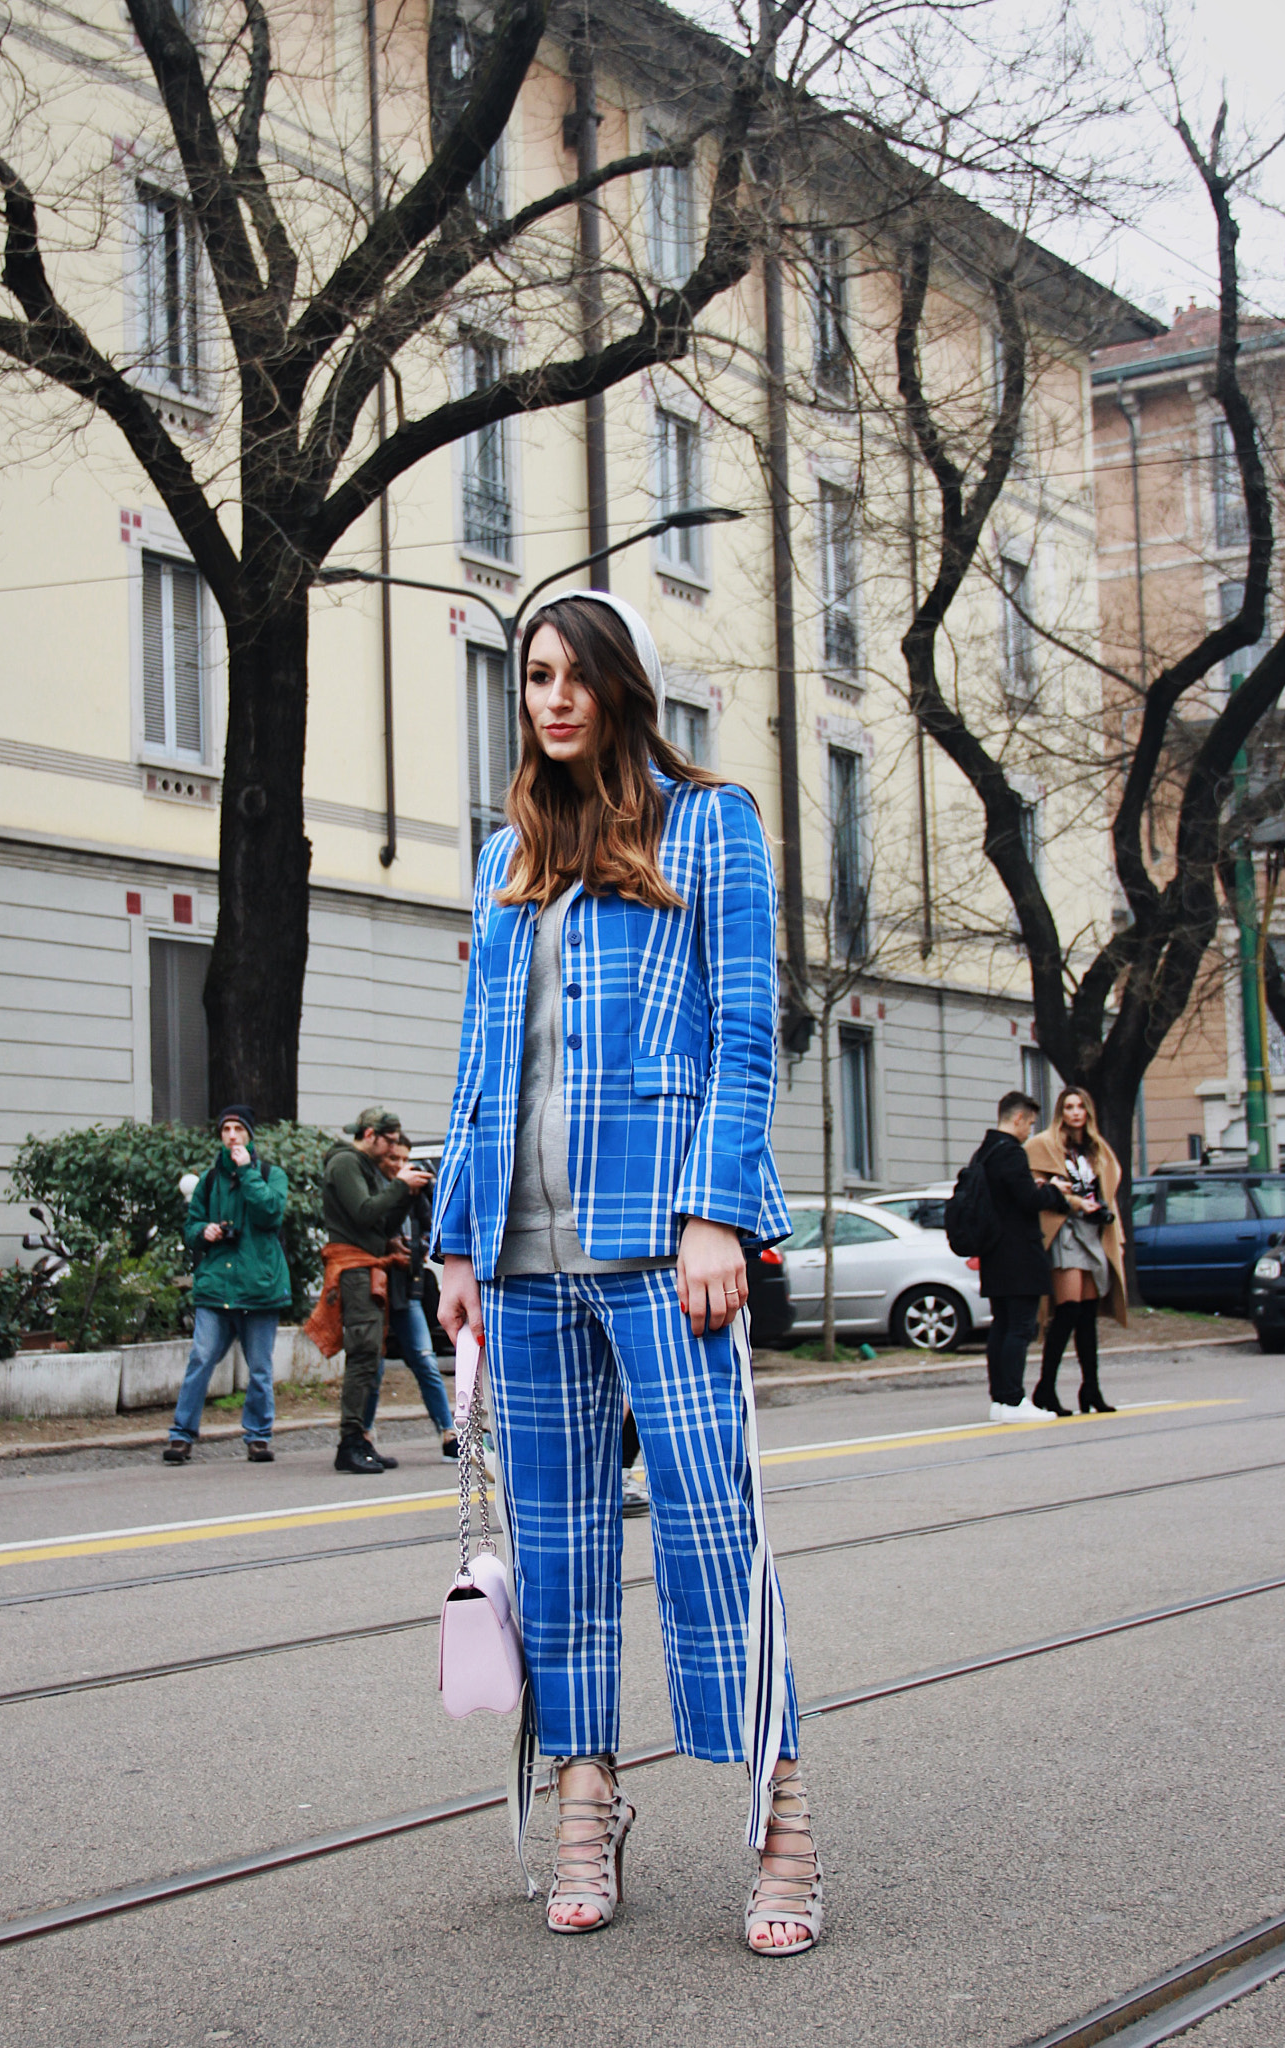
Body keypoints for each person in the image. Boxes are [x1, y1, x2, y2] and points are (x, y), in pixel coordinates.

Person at [434, 591, 819, 1955]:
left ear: (621, 686)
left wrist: (718, 1211)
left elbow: (744, 1030)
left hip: (666, 1243)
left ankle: (780, 1816)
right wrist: (457, 1243)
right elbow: (483, 1065)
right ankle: (583, 1791)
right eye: (532, 675)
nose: (550, 697)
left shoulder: (709, 824)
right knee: (562, 1544)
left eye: (574, 674)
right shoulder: (502, 860)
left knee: (715, 1525)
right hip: (527, 1260)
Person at [163, 1106, 290, 1465]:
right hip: (216, 1286)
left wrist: (248, 1171)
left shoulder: (270, 1174)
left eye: (238, 1129)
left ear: (250, 1135)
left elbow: (270, 1213)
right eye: (226, 1130)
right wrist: (204, 1231)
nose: (231, 1135)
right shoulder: (209, 1179)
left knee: (260, 1368)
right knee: (201, 1359)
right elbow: (190, 1230)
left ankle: (259, 1436)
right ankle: (181, 1435)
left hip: (259, 1287)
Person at [314, 1107, 432, 1475]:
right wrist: (400, 1186)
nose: (394, 1149)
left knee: (370, 1356)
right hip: (354, 1269)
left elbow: (381, 1225)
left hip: (369, 1267)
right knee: (364, 1354)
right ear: (370, 1135)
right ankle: (349, 1443)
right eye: (391, 1141)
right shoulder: (346, 1163)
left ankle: (360, 1439)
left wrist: (408, 1194)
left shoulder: (363, 1167)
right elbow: (365, 1214)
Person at [968, 1089, 1086, 1423]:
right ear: (1017, 1118)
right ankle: (1014, 1400)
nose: (1029, 1130)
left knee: (1002, 1326)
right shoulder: (1011, 1153)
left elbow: (1005, 1196)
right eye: (1029, 1124)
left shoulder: (984, 1153)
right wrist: (1052, 1190)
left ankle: (1000, 1400)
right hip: (1018, 1252)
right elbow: (1026, 1201)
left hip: (994, 1253)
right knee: (1019, 1328)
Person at [1025, 1086, 1128, 1414]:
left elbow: (1109, 1188)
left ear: (1088, 1111)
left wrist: (1112, 1226)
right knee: (1067, 1311)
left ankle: (1091, 1390)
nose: (1075, 1112)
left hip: (1092, 1230)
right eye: (1068, 1106)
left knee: (1086, 1315)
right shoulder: (1044, 1144)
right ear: (1061, 1111)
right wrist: (1065, 1196)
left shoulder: (1096, 1148)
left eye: (1080, 1106)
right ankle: (1045, 1389)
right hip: (1064, 1228)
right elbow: (1032, 1181)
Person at [362, 1134, 459, 1459]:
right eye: (393, 1160)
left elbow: (430, 1231)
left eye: (405, 1160)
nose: (400, 1166)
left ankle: (449, 1434)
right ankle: (365, 1435)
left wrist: (417, 1246)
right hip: (376, 1289)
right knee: (372, 1366)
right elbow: (372, 1226)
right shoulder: (377, 1190)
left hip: (409, 1289)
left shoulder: (415, 1193)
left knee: (424, 1359)